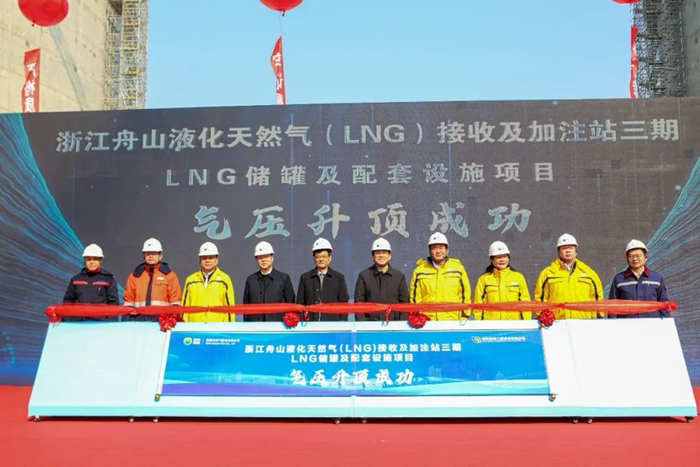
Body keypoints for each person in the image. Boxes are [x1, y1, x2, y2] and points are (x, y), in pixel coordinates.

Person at [534, 233, 603, 319]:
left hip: (584, 322)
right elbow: (540, 300)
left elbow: (597, 298)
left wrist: (597, 318)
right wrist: (544, 318)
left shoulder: (589, 273)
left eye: (571, 248)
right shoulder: (547, 273)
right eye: (564, 248)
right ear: (558, 251)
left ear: (576, 251)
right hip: (556, 323)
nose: (568, 251)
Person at [409, 232, 471, 321]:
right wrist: (417, 317)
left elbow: (465, 294)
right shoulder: (419, 271)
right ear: (429, 250)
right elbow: (415, 298)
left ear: (447, 250)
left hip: (452, 320)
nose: (438, 251)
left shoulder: (458, 269)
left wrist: (464, 316)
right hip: (427, 321)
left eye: (441, 248)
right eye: (434, 248)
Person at [123, 237, 182, 321]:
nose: (150, 256)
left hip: (162, 322)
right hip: (138, 322)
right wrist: (127, 322)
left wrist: (171, 321)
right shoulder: (134, 276)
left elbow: (175, 303)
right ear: (144, 255)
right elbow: (128, 303)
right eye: (148, 253)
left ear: (160, 255)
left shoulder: (170, 276)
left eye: (154, 253)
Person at [608, 239, 669, 318]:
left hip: (651, 324)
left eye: (638, 255)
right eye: (631, 256)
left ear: (645, 257)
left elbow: (663, 304)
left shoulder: (656, 278)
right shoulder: (619, 279)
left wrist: (665, 322)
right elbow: (613, 306)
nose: (635, 259)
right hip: (627, 324)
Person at [473, 241, 531, 320]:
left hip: (513, 324)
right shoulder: (483, 279)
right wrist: (480, 324)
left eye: (504, 256)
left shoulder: (518, 277)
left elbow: (525, 303)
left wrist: (525, 323)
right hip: (491, 324)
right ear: (491, 259)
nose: (502, 260)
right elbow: (478, 305)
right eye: (498, 257)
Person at [354, 238, 409, 321]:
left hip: (393, 325)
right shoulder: (364, 276)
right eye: (378, 253)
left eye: (384, 252)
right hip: (370, 325)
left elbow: (404, 303)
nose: (381, 255)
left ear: (389, 256)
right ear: (372, 256)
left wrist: (400, 324)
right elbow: (359, 303)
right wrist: (362, 325)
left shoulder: (398, 276)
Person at [62, 244, 119, 322]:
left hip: (101, 324)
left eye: (95, 259)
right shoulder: (75, 280)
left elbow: (113, 304)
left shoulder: (108, 280)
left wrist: (109, 323)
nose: (92, 262)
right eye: (89, 259)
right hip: (79, 324)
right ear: (85, 261)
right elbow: (68, 302)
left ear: (100, 261)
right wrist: (69, 321)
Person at [296, 238, 349, 321]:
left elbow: (344, 302)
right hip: (310, 324)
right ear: (314, 259)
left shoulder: (339, 278)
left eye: (324, 257)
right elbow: (300, 303)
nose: (321, 259)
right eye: (318, 257)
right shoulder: (305, 278)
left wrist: (341, 324)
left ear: (329, 258)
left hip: (332, 324)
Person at [181, 242, 235, 322]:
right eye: (204, 258)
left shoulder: (224, 280)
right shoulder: (190, 280)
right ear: (200, 260)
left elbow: (229, 308)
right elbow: (184, 308)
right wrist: (184, 326)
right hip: (194, 327)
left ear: (216, 259)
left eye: (211, 257)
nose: (207, 260)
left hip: (217, 327)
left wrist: (228, 327)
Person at [243, 241, 295, 322]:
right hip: (255, 326)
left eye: (266, 256)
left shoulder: (283, 278)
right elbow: (246, 307)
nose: (263, 260)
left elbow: (291, 305)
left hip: (277, 326)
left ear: (272, 258)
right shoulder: (251, 280)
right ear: (256, 259)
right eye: (260, 257)